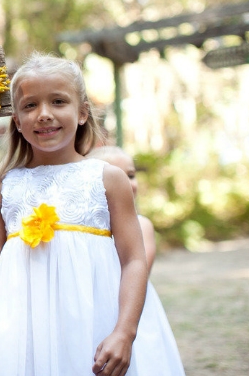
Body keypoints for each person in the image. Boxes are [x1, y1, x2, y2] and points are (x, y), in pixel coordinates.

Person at [0, 52, 156, 376]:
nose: (44, 114)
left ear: (82, 112)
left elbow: (134, 260)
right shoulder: (4, 185)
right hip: (24, 337)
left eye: (58, 102)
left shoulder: (108, 178)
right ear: (17, 122)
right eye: (30, 105)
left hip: (92, 326)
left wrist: (125, 331)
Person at [88, 145, 185, 374]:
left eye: (130, 175)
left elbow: (140, 266)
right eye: (117, 175)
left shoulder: (142, 225)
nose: (127, 183)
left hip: (129, 309)